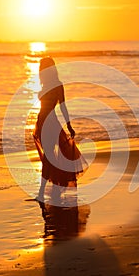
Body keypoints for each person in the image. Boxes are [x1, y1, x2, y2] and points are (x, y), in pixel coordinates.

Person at [33, 57, 87, 205]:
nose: (42, 70)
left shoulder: (57, 85)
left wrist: (69, 125)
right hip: (41, 121)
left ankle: (41, 193)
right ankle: (51, 189)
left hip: (50, 123)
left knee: (48, 158)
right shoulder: (44, 84)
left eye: (44, 67)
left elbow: (63, 106)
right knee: (49, 158)